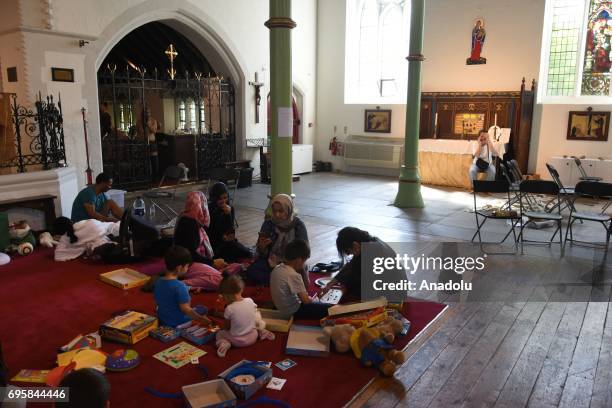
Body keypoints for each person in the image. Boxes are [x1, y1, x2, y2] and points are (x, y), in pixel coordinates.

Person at [319, 227, 402, 300]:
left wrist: (346, 286)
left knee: (352, 283)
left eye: (349, 252)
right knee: (350, 275)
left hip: (393, 293)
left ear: (355, 245)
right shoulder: (369, 243)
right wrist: (330, 284)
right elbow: (351, 265)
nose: (351, 255)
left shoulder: (373, 252)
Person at [246, 194, 309, 285]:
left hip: (291, 264)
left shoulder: (298, 225)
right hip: (271, 262)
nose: (277, 215)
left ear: (288, 210)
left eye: (281, 211)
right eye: (274, 211)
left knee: (295, 276)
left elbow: (304, 252)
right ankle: (280, 280)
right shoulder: (268, 223)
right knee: (251, 271)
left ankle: (277, 280)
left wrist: (288, 263)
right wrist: (262, 247)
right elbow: (261, 253)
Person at [215, 273, 275, 357]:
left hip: (238, 341)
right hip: (253, 336)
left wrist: (222, 328)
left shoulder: (229, 308)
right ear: (241, 289)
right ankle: (262, 332)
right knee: (255, 326)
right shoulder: (250, 301)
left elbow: (227, 327)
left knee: (219, 334)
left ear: (225, 295)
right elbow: (253, 315)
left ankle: (225, 343)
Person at [270, 239, 330, 319]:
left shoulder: (276, 268)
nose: (304, 264)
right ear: (299, 260)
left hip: (278, 307)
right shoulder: (293, 275)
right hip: (293, 311)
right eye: (304, 261)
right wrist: (314, 299)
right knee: (329, 309)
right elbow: (306, 301)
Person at [154, 245, 211, 328]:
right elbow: (186, 309)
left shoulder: (158, 281)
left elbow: (159, 301)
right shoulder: (180, 286)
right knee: (202, 309)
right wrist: (200, 319)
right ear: (179, 268)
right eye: (187, 266)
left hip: (163, 319)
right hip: (178, 323)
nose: (187, 269)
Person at [207, 182, 252, 262]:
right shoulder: (209, 210)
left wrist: (228, 215)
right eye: (220, 199)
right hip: (214, 243)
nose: (223, 201)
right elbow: (212, 231)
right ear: (214, 198)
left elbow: (230, 230)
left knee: (247, 253)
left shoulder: (230, 208)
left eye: (225, 198)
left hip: (227, 242)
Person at [52, 216, 120, 261]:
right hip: (115, 228)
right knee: (97, 242)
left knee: (94, 245)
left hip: (108, 237)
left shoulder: (66, 238)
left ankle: (111, 245)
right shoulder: (82, 223)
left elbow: (58, 255)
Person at [174, 191, 214, 265]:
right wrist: (212, 263)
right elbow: (191, 255)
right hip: (187, 264)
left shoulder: (189, 217)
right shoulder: (189, 223)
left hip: (195, 260)